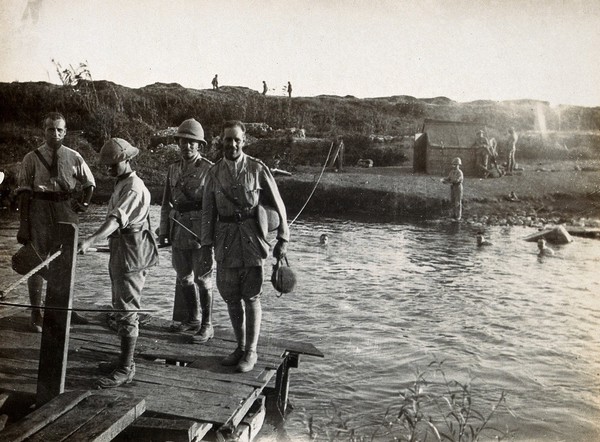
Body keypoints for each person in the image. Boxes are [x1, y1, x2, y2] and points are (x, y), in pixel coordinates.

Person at [201, 120, 289, 373]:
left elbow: (278, 204)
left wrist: (283, 237)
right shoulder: (214, 172)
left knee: (251, 296)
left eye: (237, 139)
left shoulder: (257, 168)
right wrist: (206, 246)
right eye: (228, 139)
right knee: (230, 297)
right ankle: (239, 347)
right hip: (225, 241)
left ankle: (251, 351)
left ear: (244, 140)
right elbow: (208, 212)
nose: (232, 144)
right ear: (222, 141)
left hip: (252, 240)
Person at [78, 138, 158, 388]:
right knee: (119, 304)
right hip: (120, 247)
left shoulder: (134, 188)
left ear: (127, 160)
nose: (109, 170)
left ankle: (126, 368)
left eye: (114, 165)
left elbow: (115, 221)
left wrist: (90, 240)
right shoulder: (121, 183)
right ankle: (123, 360)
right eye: (107, 166)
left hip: (131, 251)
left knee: (127, 308)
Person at [16, 112, 95, 332]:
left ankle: (65, 309)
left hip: (65, 208)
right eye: (51, 129)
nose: (56, 133)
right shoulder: (31, 158)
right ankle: (36, 313)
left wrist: (85, 204)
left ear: (65, 132)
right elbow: (23, 193)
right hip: (39, 209)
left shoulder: (74, 156)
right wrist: (24, 225)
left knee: (66, 259)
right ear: (44, 131)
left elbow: (89, 183)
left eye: (60, 129)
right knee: (36, 259)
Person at [158, 119, 215, 343]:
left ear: (199, 145)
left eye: (192, 142)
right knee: (184, 277)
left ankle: (207, 325)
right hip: (178, 231)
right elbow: (166, 203)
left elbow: (215, 206)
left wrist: (211, 235)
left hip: (201, 233)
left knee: (203, 279)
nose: (187, 146)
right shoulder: (173, 169)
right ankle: (192, 319)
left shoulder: (209, 170)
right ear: (178, 142)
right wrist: (164, 231)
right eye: (183, 141)